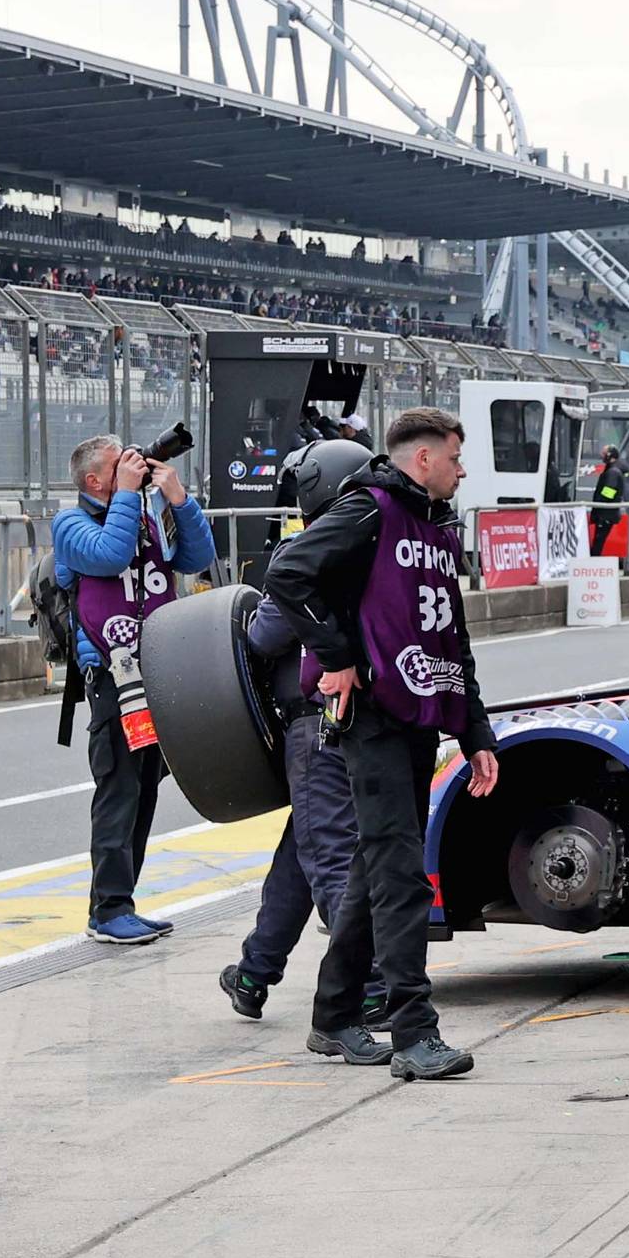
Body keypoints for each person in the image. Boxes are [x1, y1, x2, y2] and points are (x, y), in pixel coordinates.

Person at [263, 407, 501, 1081]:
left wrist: (473, 730)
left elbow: (450, 639)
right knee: (399, 875)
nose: (462, 470)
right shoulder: (369, 510)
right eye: (455, 458)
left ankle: (333, 1016)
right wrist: (335, 654)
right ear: (421, 458)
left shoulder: (435, 529)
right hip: (371, 718)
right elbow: (289, 573)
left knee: (375, 872)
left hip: (419, 718)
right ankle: (413, 1032)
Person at [220, 439, 382, 1023]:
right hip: (366, 720)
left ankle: (367, 984)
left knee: (331, 858)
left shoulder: (311, 552)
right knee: (303, 851)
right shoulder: (383, 544)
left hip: (317, 726)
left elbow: (263, 636)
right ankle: (255, 971)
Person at [52, 434, 217, 944]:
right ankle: (107, 909)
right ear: (94, 480)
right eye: (117, 463)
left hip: (158, 669)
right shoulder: (70, 525)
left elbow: (197, 558)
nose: (133, 465)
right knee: (119, 787)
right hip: (111, 674)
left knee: (146, 786)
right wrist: (128, 495)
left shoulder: (144, 514)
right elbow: (109, 554)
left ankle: (124, 900)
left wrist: (178, 500)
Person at [589, 444, 625, 557]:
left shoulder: (612, 472)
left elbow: (609, 492)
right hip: (605, 513)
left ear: (610, 455)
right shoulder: (611, 470)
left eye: (604, 454)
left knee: (599, 541)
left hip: (606, 513)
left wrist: (599, 502)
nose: (602, 456)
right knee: (598, 540)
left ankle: (594, 562)